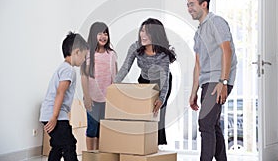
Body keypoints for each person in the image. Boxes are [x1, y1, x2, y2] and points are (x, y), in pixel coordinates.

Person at [186, 0, 237, 161]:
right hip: (207, 81)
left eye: (192, 4)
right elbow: (198, 64)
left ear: (204, 4)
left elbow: (226, 51)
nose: (189, 8)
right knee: (212, 125)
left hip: (218, 80)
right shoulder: (198, 32)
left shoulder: (216, 22)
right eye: (188, 5)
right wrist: (194, 91)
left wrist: (223, 81)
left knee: (205, 124)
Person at [114, 18, 176, 146]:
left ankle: (156, 146)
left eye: (147, 32)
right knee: (142, 113)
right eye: (142, 30)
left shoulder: (163, 52)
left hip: (161, 82)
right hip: (144, 80)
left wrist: (161, 98)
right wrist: (113, 86)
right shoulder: (135, 47)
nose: (143, 35)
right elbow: (125, 68)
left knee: (157, 114)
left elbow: (164, 77)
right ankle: (141, 144)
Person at [39, 32, 89, 161]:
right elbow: (60, 92)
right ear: (77, 52)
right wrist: (55, 117)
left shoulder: (63, 67)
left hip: (51, 113)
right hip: (55, 115)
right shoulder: (68, 70)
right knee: (68, 145)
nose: (84, 60)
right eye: (84, 56)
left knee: (58, 146)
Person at [80, 22, 117, 150]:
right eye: (100, 33)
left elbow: (115, 77)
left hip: (107, 99)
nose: (103, 36)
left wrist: (115, 98)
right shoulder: (88, 54)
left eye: (105, 33)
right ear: (93, 35)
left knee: (103, 129)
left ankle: (101, 155)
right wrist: (86, 96)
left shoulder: (111, 54)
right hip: (93, 98)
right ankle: (91, 154)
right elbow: (84, 76)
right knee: (92, 128)